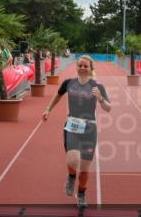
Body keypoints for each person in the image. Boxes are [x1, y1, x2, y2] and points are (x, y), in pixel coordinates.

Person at [42, 55, 111, 209]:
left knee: (85, 169)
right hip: (72, 126)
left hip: (89, 129)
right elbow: (58, 95)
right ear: (76, 67)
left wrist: (100, 99)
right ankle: (72, 176)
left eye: (85, 66)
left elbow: (108, 108)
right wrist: (48, 110)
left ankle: (81, 193)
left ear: (91, 69)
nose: (82, 68)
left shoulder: (97, 87)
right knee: (72, 160)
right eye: (80, 65)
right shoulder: (69, 83)